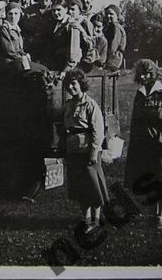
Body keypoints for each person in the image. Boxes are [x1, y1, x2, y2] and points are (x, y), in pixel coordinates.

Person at [124, 59, 162, 230]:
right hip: (141, 144)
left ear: (153, 74)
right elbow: (134, 121)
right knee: (145, 177)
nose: (143, 77)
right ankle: (151, 210)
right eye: (140, 74)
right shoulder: (139, 93)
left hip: (158, 144)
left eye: (146, 74)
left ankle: (161, 215)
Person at [62, 69, 109, 233]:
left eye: (73, 83)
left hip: (87, 152)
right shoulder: (68, 105)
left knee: (93, 188)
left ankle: (96, 221)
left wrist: (94, 153)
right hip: (74, 152)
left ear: (81, 84)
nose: (70, 87)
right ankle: (86, 220)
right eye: (68, 84)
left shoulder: (90, 105)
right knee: (80, 189)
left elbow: (98, 131)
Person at [0, 2, 31, 78]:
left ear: (20, 15)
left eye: (16, 14)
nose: (13, 17)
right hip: (8, 63)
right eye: (10, 14)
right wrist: (21, 57)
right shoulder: (4, 29)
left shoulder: (17, 29)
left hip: (16, 60)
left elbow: (20, 49)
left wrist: (25, 54)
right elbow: (9, 51)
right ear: (6, 15)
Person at [21, 0, 54, 64]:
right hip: (31, 49)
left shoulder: (55, 11)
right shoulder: (29, 10)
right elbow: (22, 29)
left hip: (49, 50)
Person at [104, 4, 127, 71]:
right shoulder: (109, 27)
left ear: (117, 16)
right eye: (107, 14)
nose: (108, 16)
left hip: (112, 61)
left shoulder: (116, 28)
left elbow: (113, 46)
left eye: (111, 14)